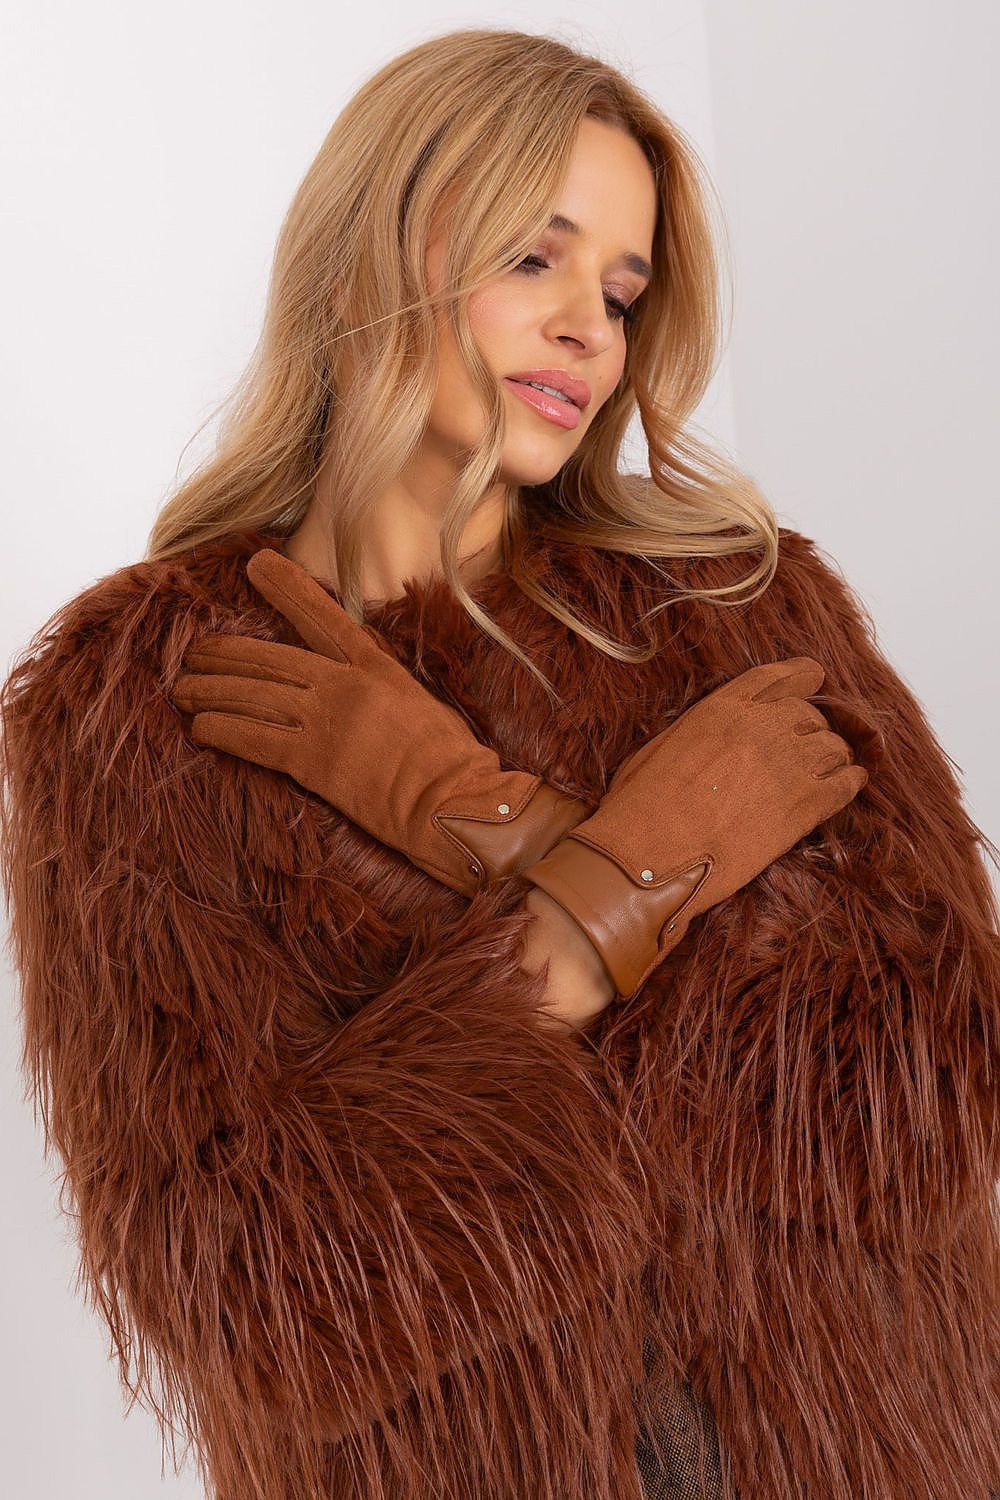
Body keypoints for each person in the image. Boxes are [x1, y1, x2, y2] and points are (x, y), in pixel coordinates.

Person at [2, 27, 998, 1500]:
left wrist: (496, 825)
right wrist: (604, 894)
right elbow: (253, 1292)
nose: (591, 328)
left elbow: (937, 1105)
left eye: (622, 290)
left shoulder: (739, 605)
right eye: (536, 257)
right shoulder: (141, 697)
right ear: (365, 260)